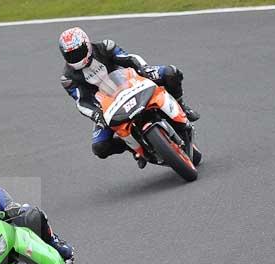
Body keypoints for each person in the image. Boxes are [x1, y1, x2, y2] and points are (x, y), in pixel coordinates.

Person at [58, 27, 200, 166]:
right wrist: (96, 114)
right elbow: (82, 102)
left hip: (132, 84)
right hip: (107, 107)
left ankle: (181, 106)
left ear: (87, 45)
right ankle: (132, 147)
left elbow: (129, 58)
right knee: (99, 147)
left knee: (171, 73)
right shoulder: (68, 78)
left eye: (78, 52)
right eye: (71, 55)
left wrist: (144, 69)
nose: (76, 57)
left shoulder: (105, 47)